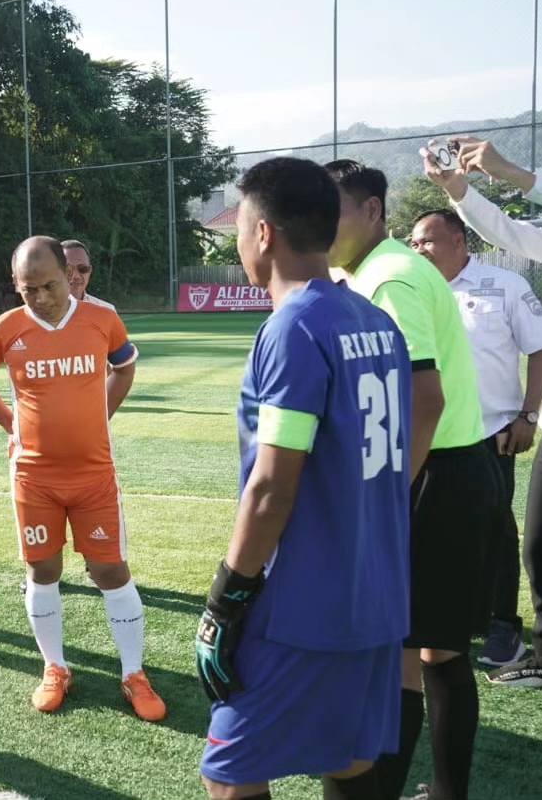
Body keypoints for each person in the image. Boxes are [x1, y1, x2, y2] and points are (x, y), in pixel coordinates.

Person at [194, 158, 411, 800]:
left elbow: (271, 488)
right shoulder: (375, 321)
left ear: (263, 234)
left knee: (229, 777)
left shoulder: (292, 328)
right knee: (347, 759)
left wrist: (225, 599)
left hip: (304, 603)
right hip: (377, 592)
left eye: (241, 225)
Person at [326, 159, 499, 800]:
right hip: (442, 471)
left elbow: (424, 398)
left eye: (335, 207)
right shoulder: (374, 271)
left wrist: (391, 493)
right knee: (415, 648)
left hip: (437, 477)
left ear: (372, 210)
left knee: (426, 652)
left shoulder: (392, 278)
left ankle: (428, 793)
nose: (322, 222)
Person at [0, 236, 165, 722]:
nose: (42, 296)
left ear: (68, 276)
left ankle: (134, 673)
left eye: (49, 284)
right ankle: (55, 667)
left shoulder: (101, 319)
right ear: (16, 286)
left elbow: (126, 366)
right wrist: (11, 423)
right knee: (42, 570)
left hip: (94, 474)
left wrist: (102, 412)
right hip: (34, 477)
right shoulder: (6, 328)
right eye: (28, 289)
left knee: (110, 570)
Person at [424, 136, 542, 688]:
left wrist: (511, 171)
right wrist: (460, 189)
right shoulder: (418, 288)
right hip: (450, 430)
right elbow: (510, 231)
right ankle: (539, 649)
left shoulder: (503, 285)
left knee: (504, 532)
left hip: (499, 427)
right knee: (537, 543)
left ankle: (506, 625)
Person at [62, 239, 114, 310]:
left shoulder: (107, 311)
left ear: (90, 271)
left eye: (83, 269)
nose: (76, 276)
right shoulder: (42, 314)